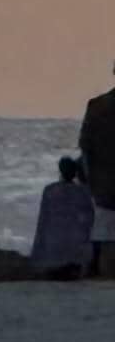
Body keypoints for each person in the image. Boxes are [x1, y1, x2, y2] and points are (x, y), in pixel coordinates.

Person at [30, 157, 96, 281]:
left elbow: (43, 222)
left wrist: (37, 255)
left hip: (53, 250)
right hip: (76, 252)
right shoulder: (82, 192)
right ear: (75, 172)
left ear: (60, 171)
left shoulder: (50, 190)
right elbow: (89, 220)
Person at [82, 69, 115, 281]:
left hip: (103, 184)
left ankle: (94, 266)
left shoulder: (96, 106)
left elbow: (85, 147)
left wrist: (89, 178)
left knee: (101, 228)